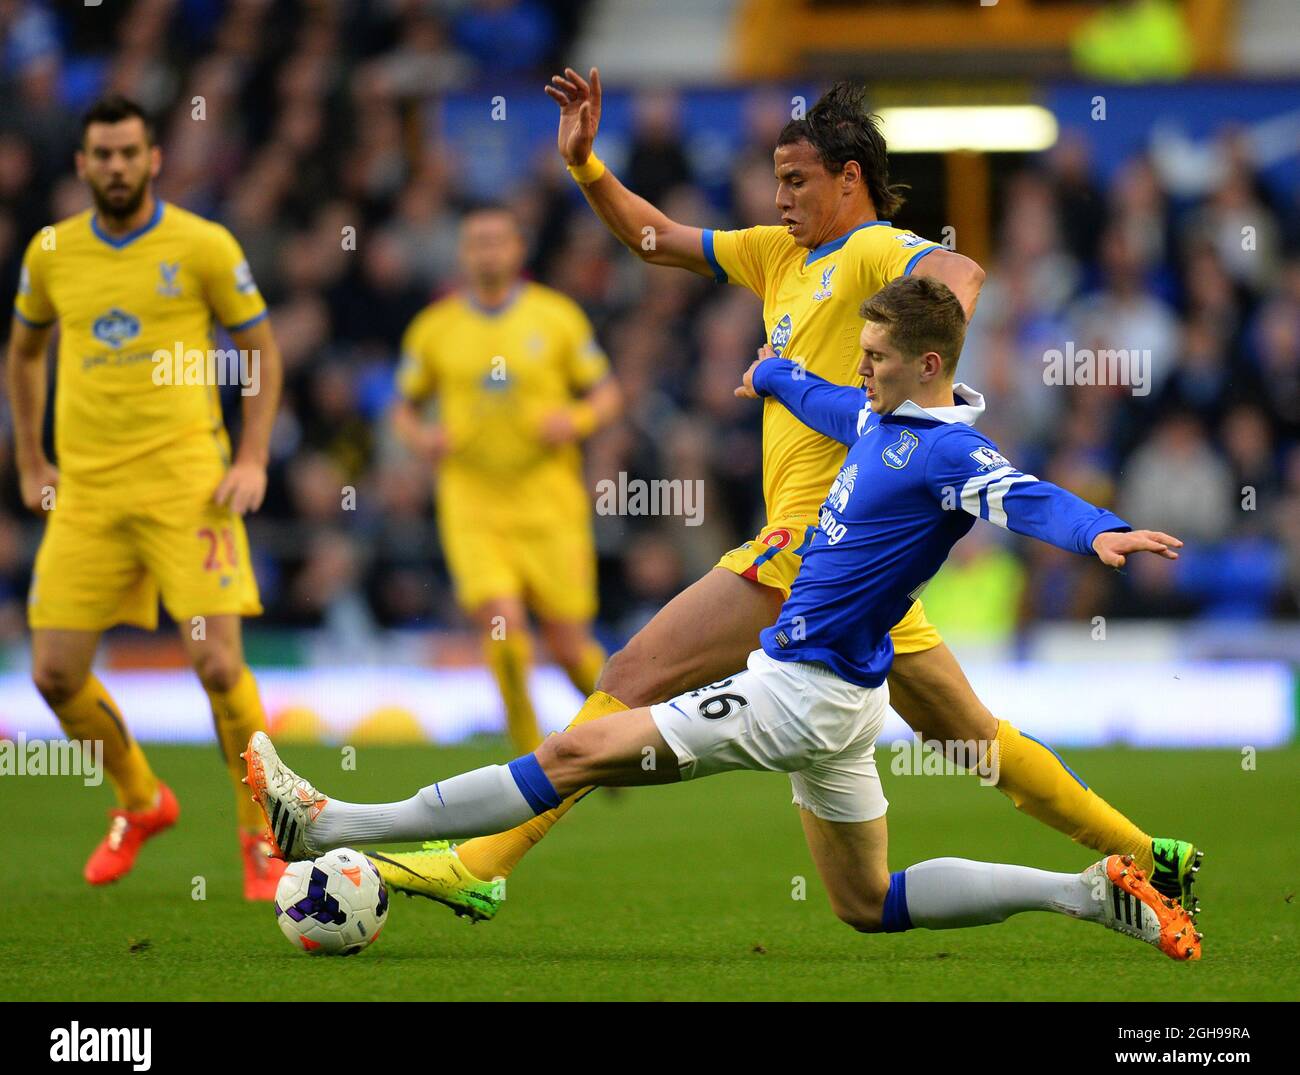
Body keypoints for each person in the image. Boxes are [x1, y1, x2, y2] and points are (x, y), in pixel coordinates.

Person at [368, 73, 1199, 920]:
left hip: (803, 547)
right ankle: (1146, 857)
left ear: (849, 179)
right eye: (776, 180)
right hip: (858, 556)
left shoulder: (875, 252)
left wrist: (923, 357)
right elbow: (655, 240)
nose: (781, 197)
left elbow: (961, 270)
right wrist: (586, 168)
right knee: (972, 745)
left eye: (796, 180)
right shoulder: (776, 254)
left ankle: (482, 860)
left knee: (632, 674)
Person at [244, 277, 1201, 962]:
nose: (862, 370)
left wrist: (1102, 533)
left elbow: (1030, 499)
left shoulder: (954, 456)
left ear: (930, 364)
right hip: (846, 700)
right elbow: (827, 404)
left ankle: (329, 825)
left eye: (876, 357)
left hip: (799, 692)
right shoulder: (883, 417)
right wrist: (776, 377)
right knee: (866, 903)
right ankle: (1086, 893)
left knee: (575, 754)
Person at [6, 95, 285, 899]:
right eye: (104, 154)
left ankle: (262, 829)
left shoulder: (201, 244)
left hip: (187, 484)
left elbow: (259, 348)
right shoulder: (52, 252)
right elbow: (23, 353)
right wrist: (31, 460)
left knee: (217, 659)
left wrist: (256, 455)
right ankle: (142, 799)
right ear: (83, 164)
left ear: (155, 159)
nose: (118, 166)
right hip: (88, 492)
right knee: (55, 674)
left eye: (131, 152)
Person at [391, 204, 621, 753]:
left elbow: (607, 393)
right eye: (476, 242)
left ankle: (619, 738)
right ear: (463, 254)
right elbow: (403, 406)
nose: (486, 252)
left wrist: (576, 419)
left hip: (549, 506)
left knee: (570, 648)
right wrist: (420, 438)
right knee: (506, 636)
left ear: (518, 250)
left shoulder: (556, 318)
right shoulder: (435, 327)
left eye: (497, 241)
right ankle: (529, 761)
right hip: (472, 505)